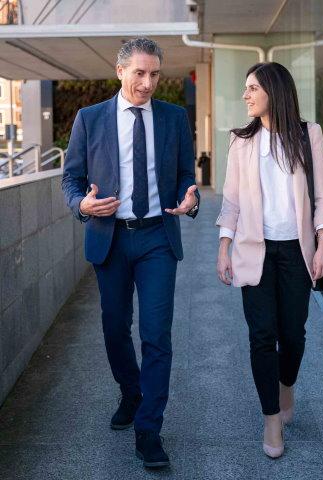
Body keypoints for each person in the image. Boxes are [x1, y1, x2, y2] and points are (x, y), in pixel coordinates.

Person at [62, 38, 199, 469]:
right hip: (111, 238)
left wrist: (190, 199)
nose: (148, 82)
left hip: (158, 236)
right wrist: (81, 205)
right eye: (139, 73)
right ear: (120, 71)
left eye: (155, 74)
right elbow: (70, 179)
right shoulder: (90, 118)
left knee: (157, 335)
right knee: (114, 327)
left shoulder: (175, 118)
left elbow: (183, 178)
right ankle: (130, 390)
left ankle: (148, 430)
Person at [216, 62, 323, 459]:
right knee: (261, 336)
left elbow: (322, 197)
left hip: (296, 251)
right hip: (256, 250)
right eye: (246, 88)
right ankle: (271, 419)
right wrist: (223, 248)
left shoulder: (309, 135)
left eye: (253, 88)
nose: (246, 95)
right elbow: (231, 201)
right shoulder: (241, 141)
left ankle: (286, 385)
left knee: (294, 334)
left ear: (274, 90)